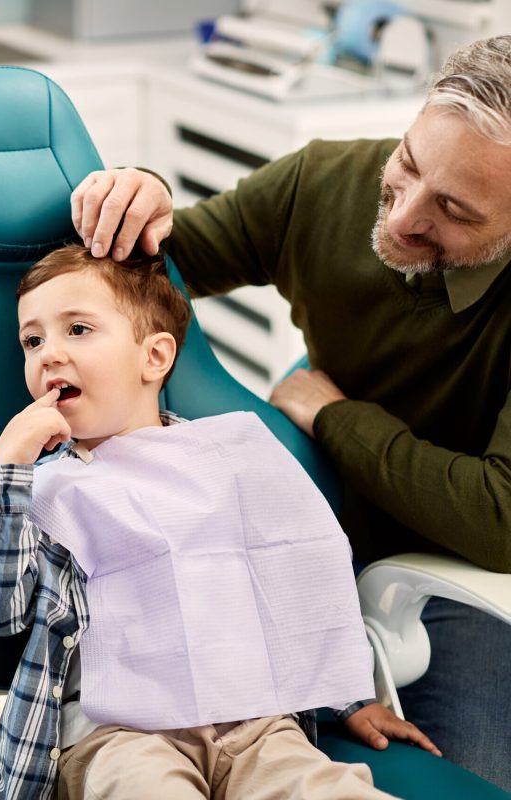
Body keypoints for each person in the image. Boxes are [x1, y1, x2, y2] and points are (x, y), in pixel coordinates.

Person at [70, 35, 511, 790]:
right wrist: (139, 193)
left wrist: (333, 416)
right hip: (291, 548)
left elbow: (500, 519)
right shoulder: (323, 181)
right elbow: (152, 269)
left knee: (455, 779)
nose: (403, 217)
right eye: (407, 164)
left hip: (452, 571)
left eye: (453, 212)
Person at [0, 244, 439, 800]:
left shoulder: (227, 460)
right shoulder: (41, 488)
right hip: (119, 735)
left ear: (154, 358)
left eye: (78, 330)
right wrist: (9, 465)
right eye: (32, 341)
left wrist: (349, 697)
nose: (49, 354)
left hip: (253, 722)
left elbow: (289, 586)